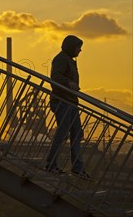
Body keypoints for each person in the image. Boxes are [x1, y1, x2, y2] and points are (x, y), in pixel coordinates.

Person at [45, 35, 90, 179]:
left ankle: (77, 168)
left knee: (77, 134)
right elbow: (55, 77)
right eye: (78, 47)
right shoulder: (61, 59)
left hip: (71, 102)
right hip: (62, 101)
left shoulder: (69, 60)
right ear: (71, 47)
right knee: (62, 134)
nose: (80, 50)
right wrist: (68, 83)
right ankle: (51, 165)